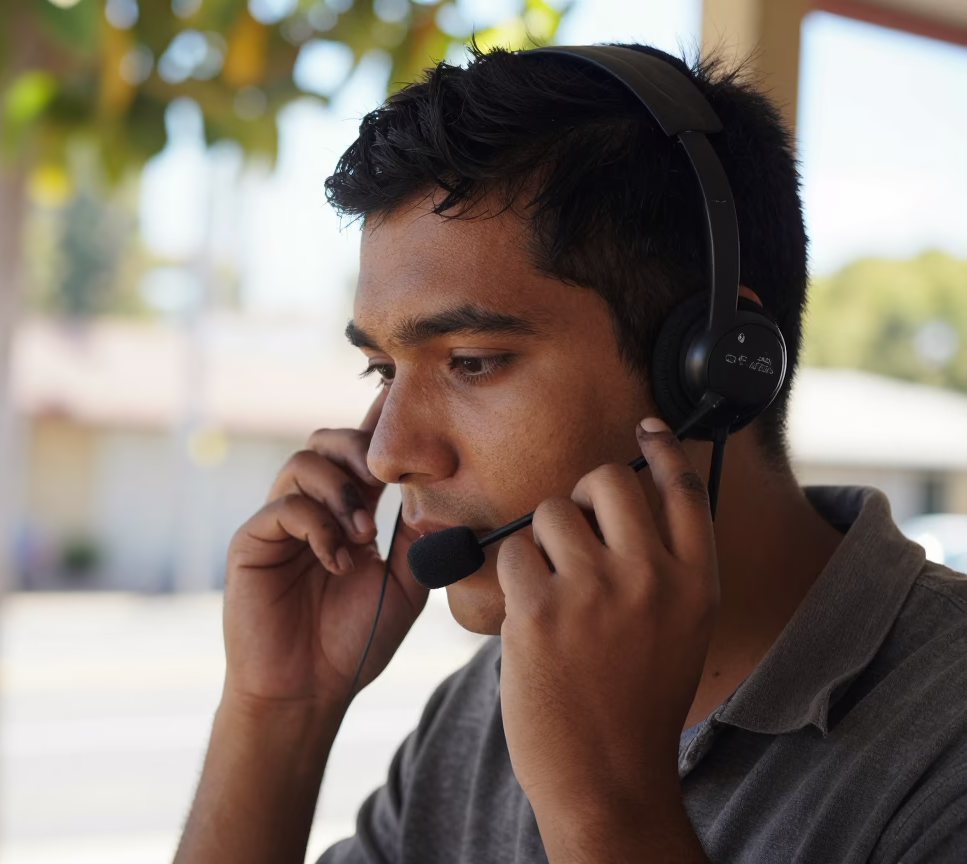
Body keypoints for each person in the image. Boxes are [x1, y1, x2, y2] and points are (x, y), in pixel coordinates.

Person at [173, 44, 967, 863]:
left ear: (717, 367)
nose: (385, 454)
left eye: (470, 362)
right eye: (381, 368)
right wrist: (278, 712)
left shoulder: (944, 742)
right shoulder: (491, 707)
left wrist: (608, 807)